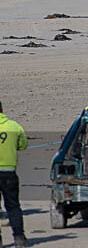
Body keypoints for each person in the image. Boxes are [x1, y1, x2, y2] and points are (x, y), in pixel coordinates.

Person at [0, 101, 29, 248]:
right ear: (2, 110)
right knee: (13, 206)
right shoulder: (14, 126)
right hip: (8, 172)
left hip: (7, 172)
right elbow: (23, 145)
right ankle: (19, 238)